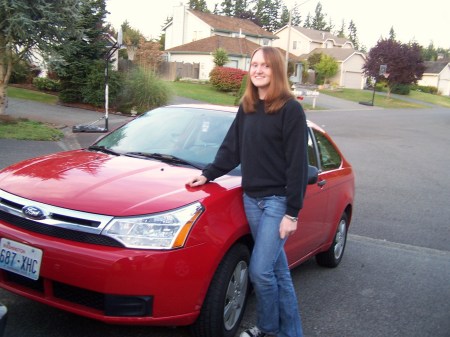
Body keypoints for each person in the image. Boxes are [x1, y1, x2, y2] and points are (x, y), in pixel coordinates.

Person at [187, 46, 308, 337]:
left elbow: (297, 165)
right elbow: (232, 149)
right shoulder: (248, 107)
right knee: (277, 271)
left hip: (277, 202)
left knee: (260, 272)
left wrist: (292, 212)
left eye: (265, 66)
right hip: (252, 200)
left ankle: (268, 330)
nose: (258, 70)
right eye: (254, 64)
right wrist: (208, 174)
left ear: (276, 70)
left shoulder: (290, 109)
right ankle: (289, 332)